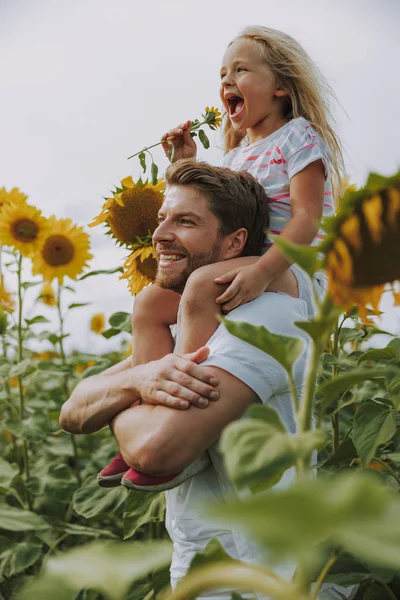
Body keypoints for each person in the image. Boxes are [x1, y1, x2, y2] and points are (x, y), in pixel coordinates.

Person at [97, 25, 345, 489]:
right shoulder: (233, 157)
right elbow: (207, 213)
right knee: (150, 303)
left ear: (280, 87)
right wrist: (182, 162)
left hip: (292, 268)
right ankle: (152, 412)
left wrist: (264, 271)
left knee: (198, 286)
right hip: (238, 267)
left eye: (242, 69)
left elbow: (308, 218)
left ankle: (178, 427)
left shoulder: (297, 137)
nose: (227, 80)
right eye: (223, 73)